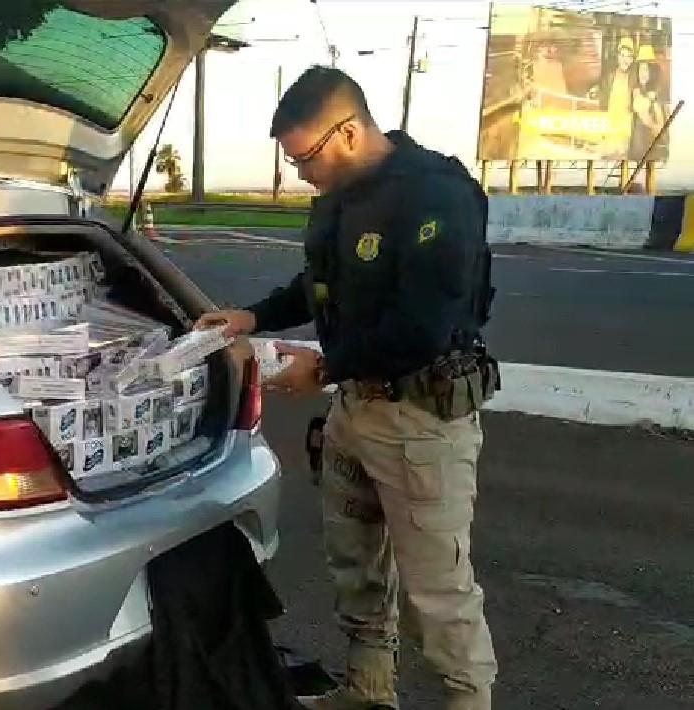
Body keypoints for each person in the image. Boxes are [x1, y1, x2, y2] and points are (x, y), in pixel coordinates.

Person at [196, 66, 499, 709]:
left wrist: (324, 368)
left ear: (349, 131)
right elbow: (320, 285)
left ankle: (466, 700)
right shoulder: (343, 196)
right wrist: (253, 317)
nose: (301, 172)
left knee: (437, 591)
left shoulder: (435, 196)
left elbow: (423, 325)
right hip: (355, 412)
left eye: (305, 157)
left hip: (421, 419)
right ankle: (368, 692)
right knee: (356, 566)